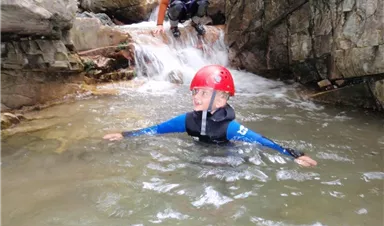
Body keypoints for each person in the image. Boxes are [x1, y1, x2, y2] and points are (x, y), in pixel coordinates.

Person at [103, 65, 318, 167]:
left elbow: (262, 142)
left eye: (204, 93)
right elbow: (156, 130)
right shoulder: (187, 121)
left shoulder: (229, 128)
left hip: (228, 156)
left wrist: (295, 155)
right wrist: (126, 135)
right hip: (198, 155)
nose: (196, 97)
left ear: (221, 100)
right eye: (195, 91)